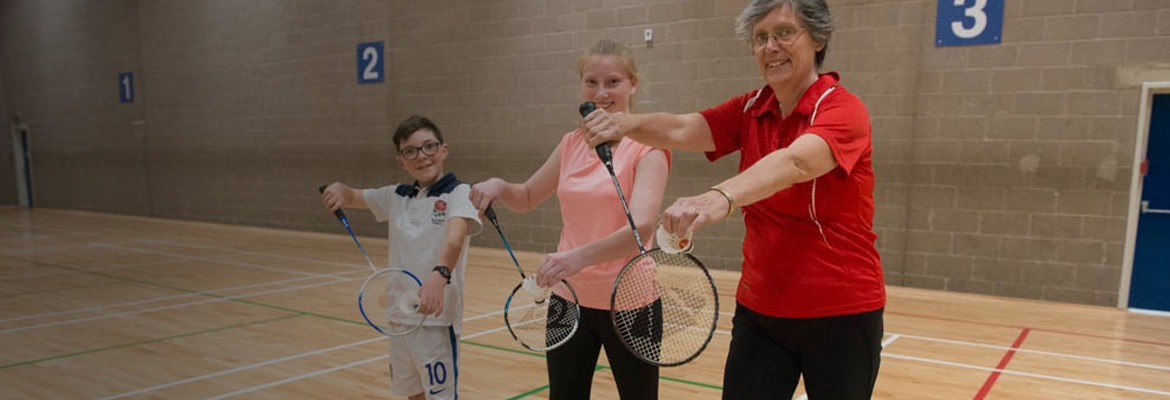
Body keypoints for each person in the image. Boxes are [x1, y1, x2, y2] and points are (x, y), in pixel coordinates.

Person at [580, 1, 885, 398]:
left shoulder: (842, 109)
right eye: (760, 38)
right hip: (761, 310)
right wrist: (625, 123)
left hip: (840, 312)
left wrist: (720, 197)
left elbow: (795, 161)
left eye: (784, 33)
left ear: (818, 38)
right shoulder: (751, 108)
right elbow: (682, 127)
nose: (770, 47)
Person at [469, 39, 670, 400]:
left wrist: (576, 258)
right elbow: (528, 196)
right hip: (569, 298)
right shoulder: (571, 143)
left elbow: (640, 229)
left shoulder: (649, 148)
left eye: (612, 82)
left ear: (633, 85)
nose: (601, 92)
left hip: (630, 301)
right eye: (591, 82)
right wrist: (499, 186)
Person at [321, 115, 482, 400]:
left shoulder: (460, 192)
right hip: (400, 317)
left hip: (436, 321)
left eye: (429, 147)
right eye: (411, 151)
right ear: (401, 161)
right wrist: (340, 190)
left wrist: (439, 275)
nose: (422, 156)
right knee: (412, 392)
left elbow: (455, 237)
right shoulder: (397, 196)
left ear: (444, 149)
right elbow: (354, 196)